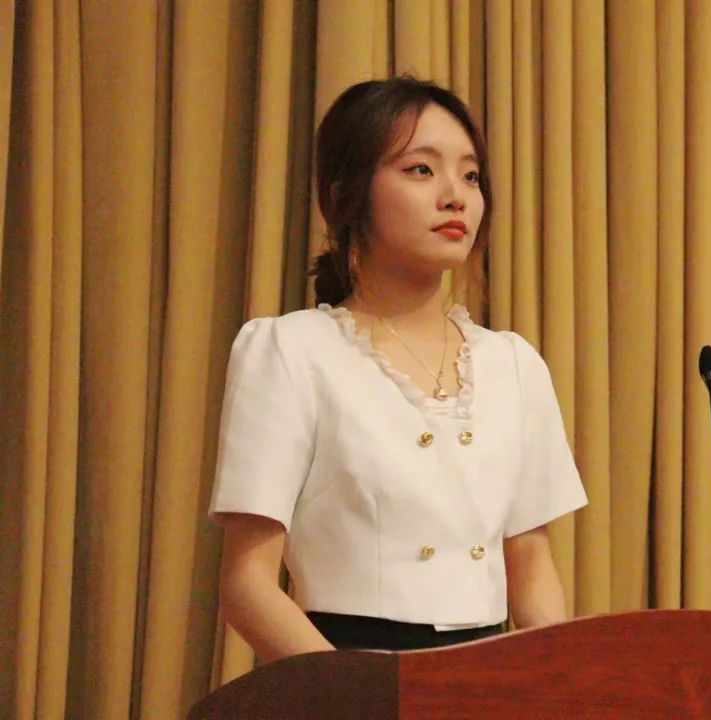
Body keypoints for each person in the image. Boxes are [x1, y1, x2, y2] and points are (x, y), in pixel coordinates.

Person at [208, 76, 587, 659]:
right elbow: (247, 585)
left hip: (490, 680)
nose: (455, 196)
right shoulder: (292, 351)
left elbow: (532, 568)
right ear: (347, 194)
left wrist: (555, 684)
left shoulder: (513, 364)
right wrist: (357, 696)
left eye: (471, 176)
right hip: (346, 673)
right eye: (421, 169)